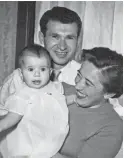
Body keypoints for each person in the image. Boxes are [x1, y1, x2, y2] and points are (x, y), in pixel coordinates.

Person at [0, 6, 122, 117]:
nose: (62, 46)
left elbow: (116, 114)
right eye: (55, 36)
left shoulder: (88, 77)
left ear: (78, 41)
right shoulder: (18, 78)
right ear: (41, 38)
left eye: (69, 37)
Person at [0, 44, 70, 158]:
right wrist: (1, 126)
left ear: (50, 72)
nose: (37, 74)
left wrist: (75, 99)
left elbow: (61, 101)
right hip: (26, 145)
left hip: (48, 143)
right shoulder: (22, 95)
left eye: (42, 69)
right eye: (31, 69)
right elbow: (12, 117)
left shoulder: (55, 88)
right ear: (22, 74)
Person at [52, 47, 123, 158]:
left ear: (108, 94)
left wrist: (42, 150)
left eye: (88, 83)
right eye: (79, 75)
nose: (78, 85)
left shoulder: (112, 127)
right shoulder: (58, 89)